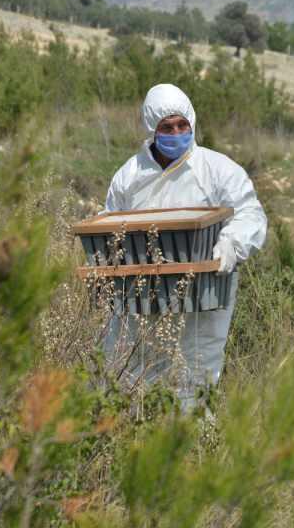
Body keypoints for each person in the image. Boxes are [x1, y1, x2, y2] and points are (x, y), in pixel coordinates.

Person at [102, 83, 267, 410]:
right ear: (152, 129)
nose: (176, 133)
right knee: (131, 377)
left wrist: (231, 245)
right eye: (167, 127)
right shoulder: (130, 175)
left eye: (182, 125)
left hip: (204, 296)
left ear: (192, 122)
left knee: (194, 381)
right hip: (141, 297)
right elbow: (110, 221)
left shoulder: (217, 169)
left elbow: (251, 213)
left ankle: (194, 455)